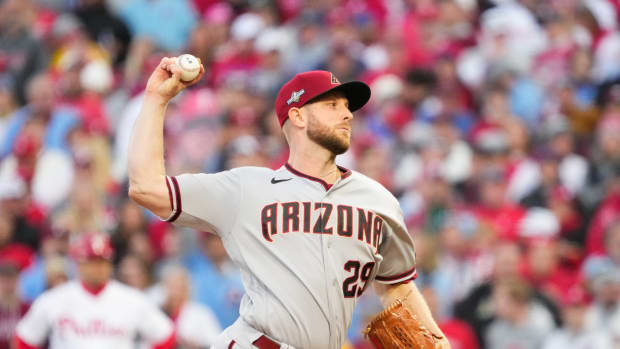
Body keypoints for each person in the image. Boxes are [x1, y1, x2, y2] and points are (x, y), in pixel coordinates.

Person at [128, 58, 449, 348]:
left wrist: (437, 344)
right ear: (297, 115)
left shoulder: (378, 200)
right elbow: (146, 188)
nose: (348, 114)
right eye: (333, 105)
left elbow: (397, 288)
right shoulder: (247, 188)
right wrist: (157, 99)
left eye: (347, 107)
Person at [13, 232, 175, 349]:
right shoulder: (54, 299)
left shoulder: (131, 299)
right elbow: (24, 339)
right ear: (79, 264)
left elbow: (165, 335)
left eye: (102, 262)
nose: (98, 268)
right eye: (91, 261)